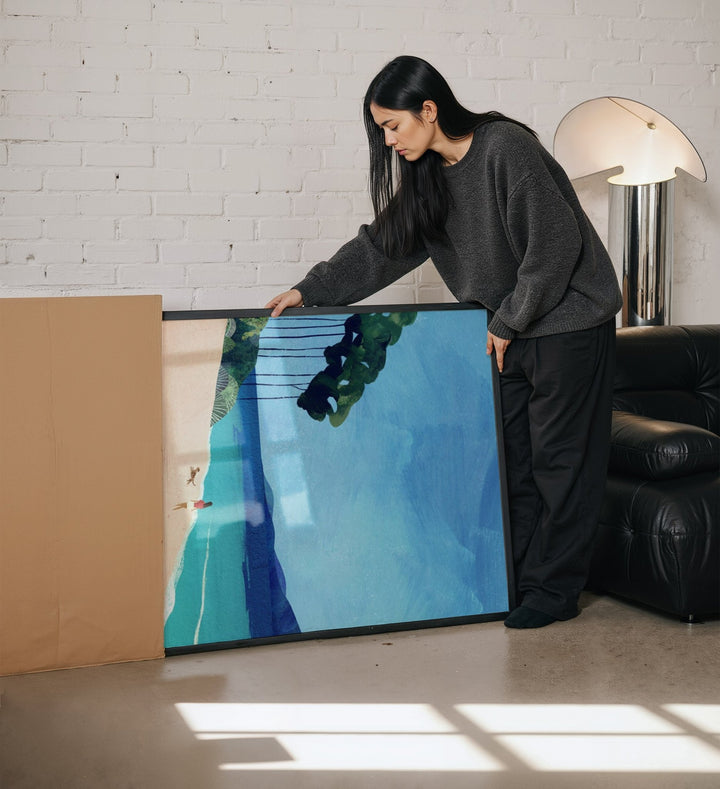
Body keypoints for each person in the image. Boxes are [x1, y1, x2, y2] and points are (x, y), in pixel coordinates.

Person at [265, 55, 623, 629]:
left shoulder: (505, 148)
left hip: (567, 321)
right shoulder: (428, 176)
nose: (389, 141)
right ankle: (516, 583)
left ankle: (553, 593)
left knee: (562, 465)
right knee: (512, 464)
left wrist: (508, 321)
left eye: (393, 126)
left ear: (428, 110)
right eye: (382, 130)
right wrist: (311, 290)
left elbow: (555, 246)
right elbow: (382, 247)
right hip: (507, 331)